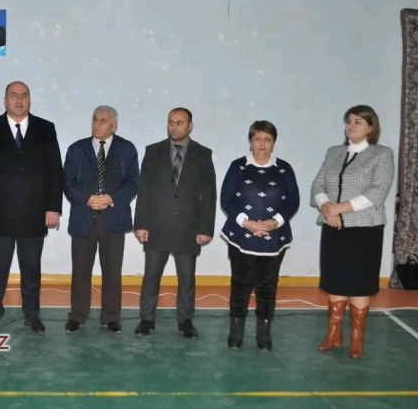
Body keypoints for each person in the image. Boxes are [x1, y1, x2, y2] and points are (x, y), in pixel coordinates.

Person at [0, 81, 63, 334]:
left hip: (35, 214)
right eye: (14, 95)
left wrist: (53, 207)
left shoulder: (45, 128)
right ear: (5, 100)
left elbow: (55, 171)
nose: (19, 100)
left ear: (30, 100)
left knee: (31, 270)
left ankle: (32, 315)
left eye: (24, 95)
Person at [310, 105, 395, 359]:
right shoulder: (334, 152)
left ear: (371, 127)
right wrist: (329, 209)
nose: (351, 125)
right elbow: (318, 184)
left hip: (365, 229)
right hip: (333, 225)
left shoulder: (382, 154)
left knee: (359, 284)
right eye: (349, 121)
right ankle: (334, 333)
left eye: (358, 121)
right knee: (335, 280)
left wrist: (341, 207)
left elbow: (378, 191)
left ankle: (357, 338)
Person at [133, 107, 217, 338]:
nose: (174, 127)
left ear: (190, 126)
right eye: (171, 122)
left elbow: (209, 194)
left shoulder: (203, 154)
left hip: (189, 228)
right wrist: (141, 224)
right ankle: (146, 319)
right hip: (156, 226)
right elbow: (144, 190)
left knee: (187, 279)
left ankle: (185, 321)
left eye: (179, 123)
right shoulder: (153, 151)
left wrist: (205, 228)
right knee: (151, 277)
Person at [218, 121, 300, 351]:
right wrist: (247, 223)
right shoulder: (237, 166)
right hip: (241, 236)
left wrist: (274, 223)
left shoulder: (284, 169)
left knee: (267, 286)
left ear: (274, 143)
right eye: (257, 138)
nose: (262, 144)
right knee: (240, 284)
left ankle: (264, 336)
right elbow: (226, 199)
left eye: (267, 139)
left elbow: (293, 201)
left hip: (274, 238)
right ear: (250, 141)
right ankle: (236, 334)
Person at [63, 105, 139, 333]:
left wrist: (111, 199)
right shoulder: (76, 149)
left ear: (114, 126)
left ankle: (111, 317)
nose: (97, 124)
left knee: (112, 272)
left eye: (103, 121)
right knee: (80, 272)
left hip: (113, 220)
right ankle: (78, 316)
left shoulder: (127, 149)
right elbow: (68, 182)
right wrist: (87, 199)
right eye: (95, 119)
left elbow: (133, 182)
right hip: (83, 219)